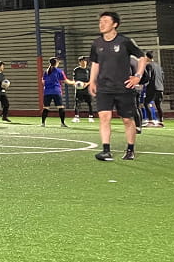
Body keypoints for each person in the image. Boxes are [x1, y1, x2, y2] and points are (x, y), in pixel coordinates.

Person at [89, 11, 146, 161]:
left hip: (123, 87)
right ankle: (106, 150)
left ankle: (130, 149)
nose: (101, 24)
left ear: (115, 24)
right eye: (100, 21)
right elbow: (95, 63)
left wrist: (137, 76)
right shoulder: (96, 43)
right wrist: (92, 81)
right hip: (104, 88)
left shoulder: (124, 41)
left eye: (105, 21)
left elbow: (142, 57)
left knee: (127, 120)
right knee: (104, 117)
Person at [41, 57, 72, 127]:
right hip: (56, 91)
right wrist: (74, 82)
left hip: (47, 92)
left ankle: (43, 123)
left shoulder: (46, 71)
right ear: (56, 63)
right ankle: (62, 123)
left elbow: (43, 81)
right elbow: (66, 81)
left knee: (46, 107)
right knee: (60, 107)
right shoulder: (59, 71)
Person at [144, 51, 165, 127]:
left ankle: (151, 121)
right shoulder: (158, 66)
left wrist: (143, 83)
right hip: (160, 88)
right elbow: (163, 77)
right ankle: (161, 121)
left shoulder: (149, 65)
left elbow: (148, 77)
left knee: (146, 103)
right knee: (158, 105)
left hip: (153, 88)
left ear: (147, 57)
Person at [71, 56, 94, 123]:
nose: (83, 62)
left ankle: (90, 117)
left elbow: (91, 79)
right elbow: (74, 79)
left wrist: (86, 84)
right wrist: (75, 83)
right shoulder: (76, 70)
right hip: (79, 89)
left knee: (89, 103)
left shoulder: (89, 70)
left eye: (84, 61)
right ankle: (76, 117)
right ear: (79, 62)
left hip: (87, 89)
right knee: (77, 103)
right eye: (82, 61)